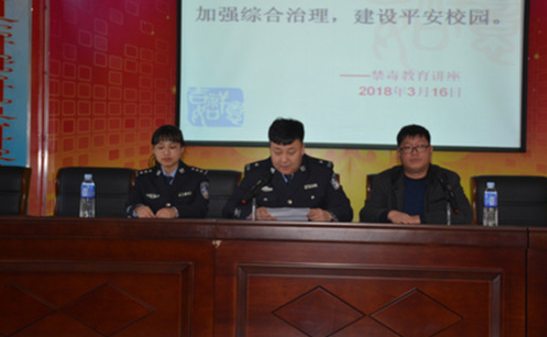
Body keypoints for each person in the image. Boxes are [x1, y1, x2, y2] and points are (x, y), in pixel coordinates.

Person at [222, 118, 353, 222]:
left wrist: (328, 215)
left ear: (302, 148)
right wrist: (253, 214)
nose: (284, 160)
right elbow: (229, 209)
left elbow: (345, 210)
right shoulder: (257, 173)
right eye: (277, 152)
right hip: (268, 241)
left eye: (291, 152)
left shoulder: (321, 172)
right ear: (270, 148)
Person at [359, 124, 472, 224]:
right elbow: (366, 214)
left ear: (430, 150)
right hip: (395, 240)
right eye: (408, 147)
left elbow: (465, 215)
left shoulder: (446, 179)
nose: (414, 153)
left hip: (435, 240)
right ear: (399, 153)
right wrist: (389, 214)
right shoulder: (385, 179)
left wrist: (421, 219)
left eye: (420, 146)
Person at [125, 124, 209, 218]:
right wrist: (137, 209)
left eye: (172, 147)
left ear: (182, 149)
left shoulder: (197, 177)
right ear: (154, 150)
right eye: (161, 148)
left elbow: (201, 209)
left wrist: (176, 212)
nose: (166, 153)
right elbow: (128, 207)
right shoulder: (143, 178)